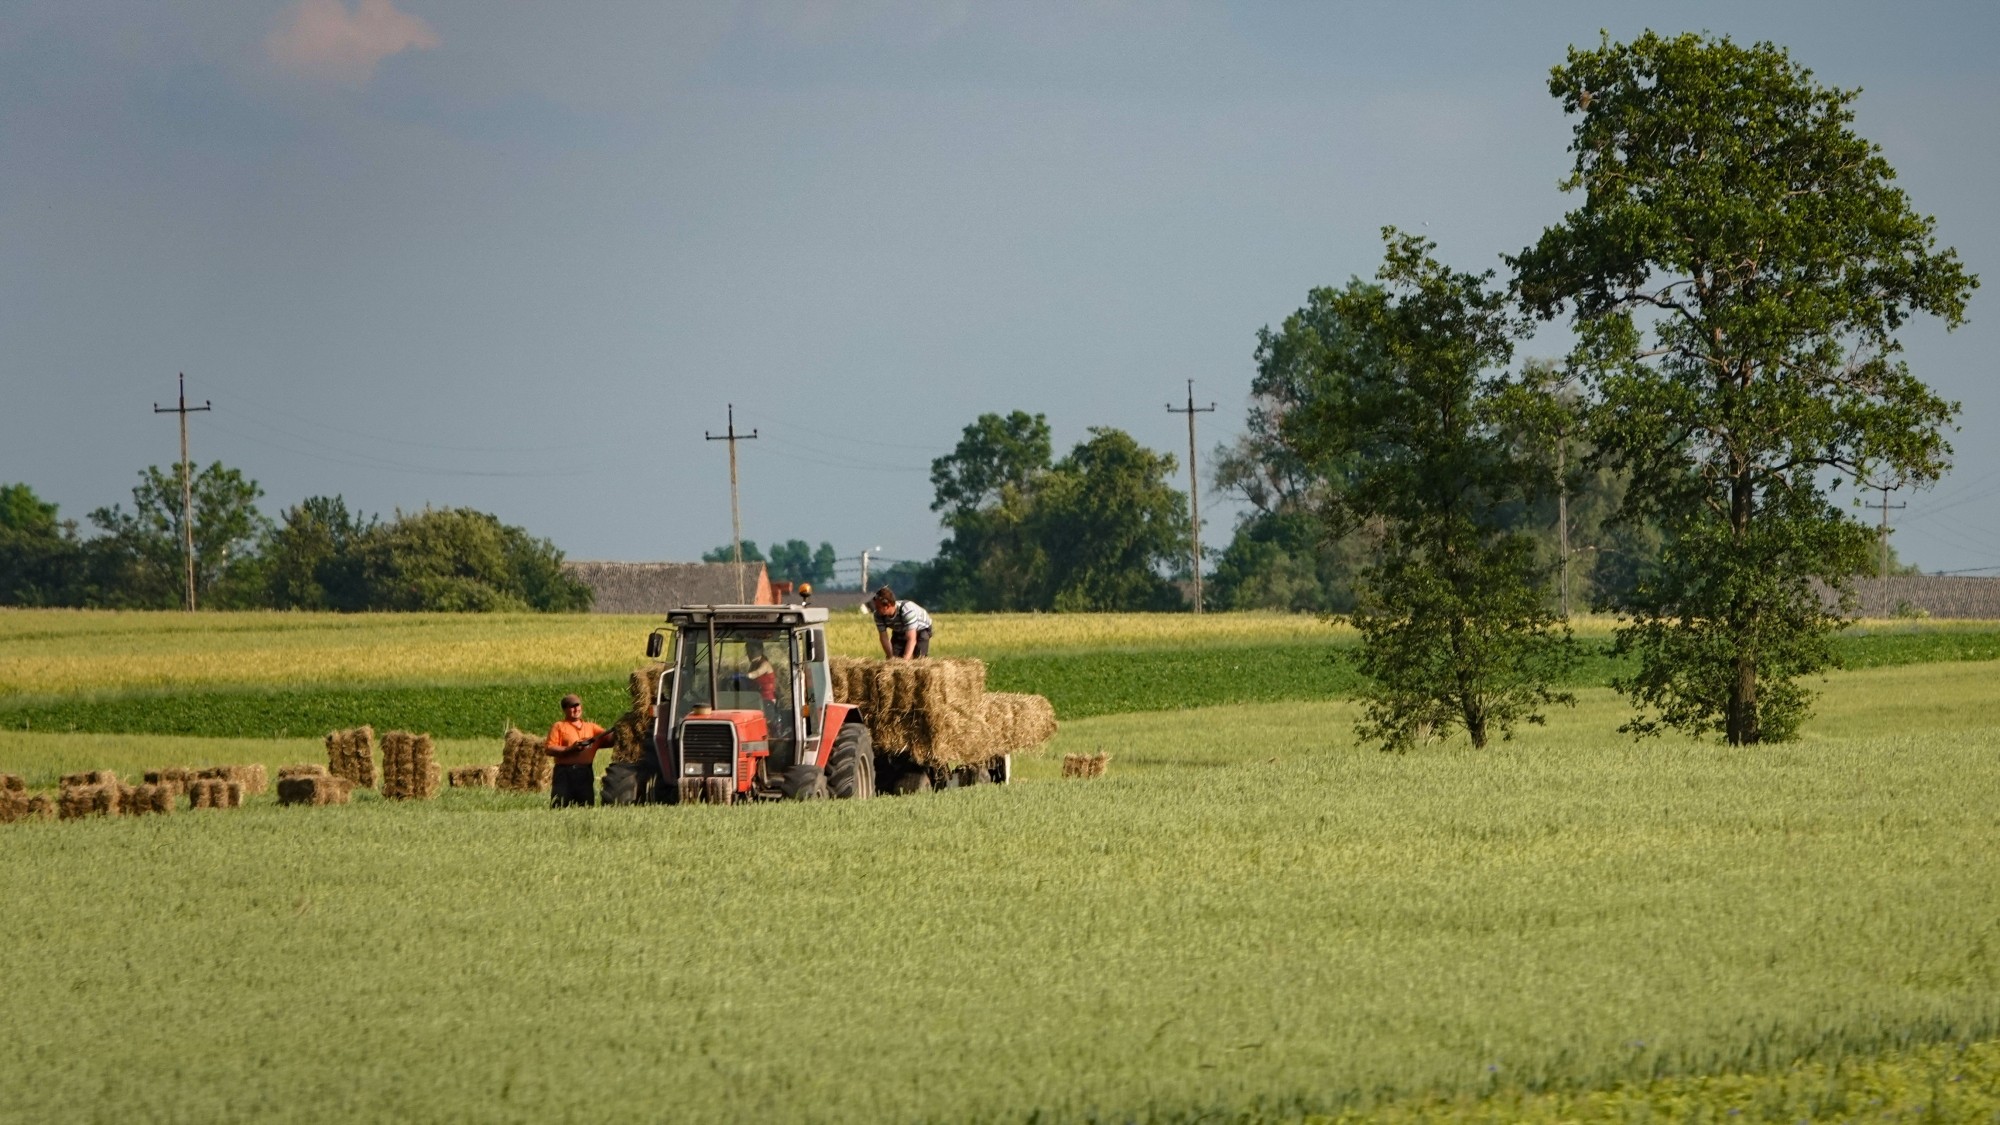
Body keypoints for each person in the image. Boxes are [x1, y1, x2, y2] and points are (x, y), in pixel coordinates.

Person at [544, 693, 611, 808]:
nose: (576, 709)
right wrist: (571, 749)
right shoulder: (559, 726)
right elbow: (549, 749)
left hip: (584, 773)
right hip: (564, 773)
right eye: (572, 706)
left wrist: (622, 729)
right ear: (565, 710)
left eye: (577, 705)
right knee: (559, 807)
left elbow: (609, 738)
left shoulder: (591, 727)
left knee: (586, 807)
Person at [871, 586, 932, 659]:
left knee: (918, 658)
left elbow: (911, 639)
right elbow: (884, 637)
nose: (876, 609)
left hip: (921, 629)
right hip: (900, 630)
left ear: (887, 606)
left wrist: (905, 661)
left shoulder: (906, 610)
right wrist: (891, 658)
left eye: (878, 607)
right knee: (895, 658)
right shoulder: (878, 615)